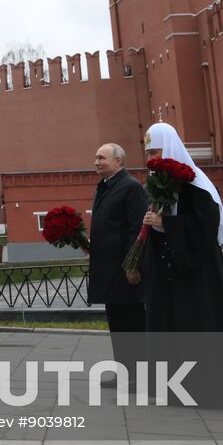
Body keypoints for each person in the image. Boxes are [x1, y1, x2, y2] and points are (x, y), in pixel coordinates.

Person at [139, 122, 223, 407]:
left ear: (169, 148)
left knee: (200, 327)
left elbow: (206, 228)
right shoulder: (161, 185)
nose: (151, 158)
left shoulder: (196, 184)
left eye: (155, 150)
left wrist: (166, 224)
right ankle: (179, 388)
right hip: (171, 273)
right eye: (148, 152)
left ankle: (212, 387)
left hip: (198, 273)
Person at [87, 143, 148, 384]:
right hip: (110, 270)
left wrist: (133, 264)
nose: (96, 162)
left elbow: (138, 229)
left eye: (101, 158)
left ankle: (140, 377)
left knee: (132, 325)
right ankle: (124, 373)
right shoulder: (106, 186)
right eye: (96, 157)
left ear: (118, 162)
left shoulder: (130, 187)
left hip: (124, 271)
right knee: (118, 325)